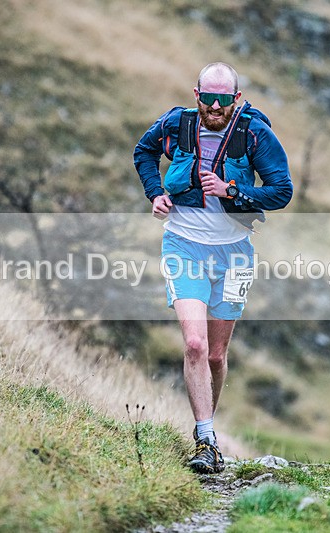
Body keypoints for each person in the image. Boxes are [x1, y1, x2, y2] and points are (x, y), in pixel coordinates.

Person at [134, 62, 293, 474]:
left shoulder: (254, 134)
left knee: (217, 357)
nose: (215, 107)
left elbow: (281, 192)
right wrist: (155, 194)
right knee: (195, 346)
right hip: (183, 244)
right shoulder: (177, 125)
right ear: (197, 94)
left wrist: (232, 190)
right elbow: (144, 151)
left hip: (234, 252)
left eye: (224, 99)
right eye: (209, 98)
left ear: (236, 99)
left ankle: (206, 427)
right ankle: (206, 439)